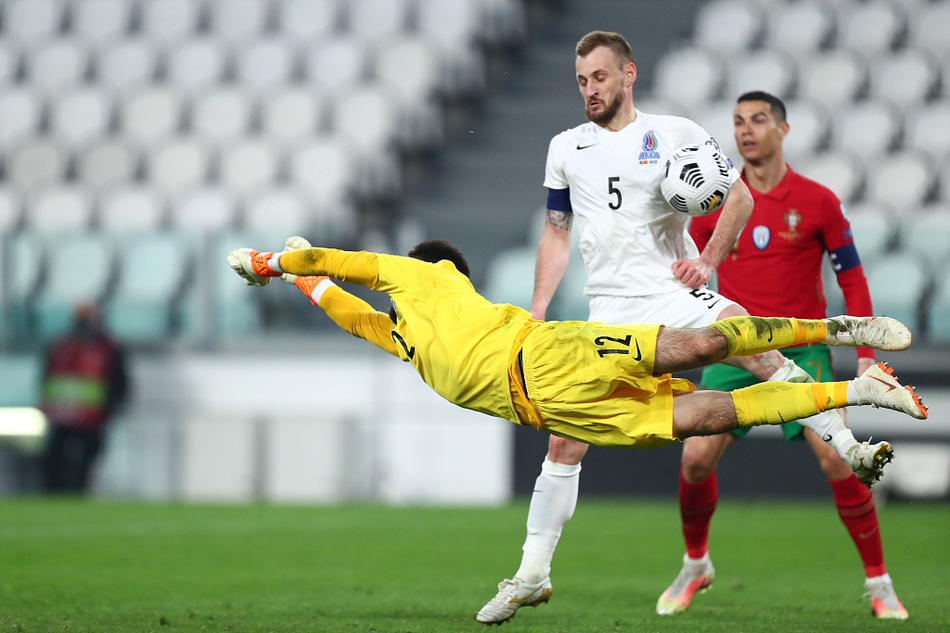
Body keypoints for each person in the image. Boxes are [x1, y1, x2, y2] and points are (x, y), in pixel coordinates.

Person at [475, 30, 894, 625]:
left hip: (676, 294)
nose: (589, 90)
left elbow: (739, 199)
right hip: (610, 310)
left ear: (628, 74)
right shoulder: (565, 147)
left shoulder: (674, 135)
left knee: (748, 337)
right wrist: (539, 307)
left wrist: (709, 260)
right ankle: (531, 575)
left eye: (599, 77)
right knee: (565, 438)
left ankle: (849, 445)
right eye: (581, 81)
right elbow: (557, 232)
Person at [652, 91, 910, 620]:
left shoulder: (817, 201)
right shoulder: (713, 204)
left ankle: (880, 585)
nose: (746, 130)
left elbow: (852, 276)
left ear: (784, 130)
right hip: (734, 349)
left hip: (802, 350)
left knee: (839, 459)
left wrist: (864, 353)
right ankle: (695, 565)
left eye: (759, 120)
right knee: (696, 459)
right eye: (738, 122)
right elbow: (687, 268)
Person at [39, 302, 129, 493]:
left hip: (91, 417)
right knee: (54, 461)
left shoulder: (107, 348)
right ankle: (53, 493)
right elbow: (47, 377)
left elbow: (118, 380)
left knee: (86, 461)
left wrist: (113, 406)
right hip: (62, 415)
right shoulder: (61, 345)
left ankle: (78, 492)